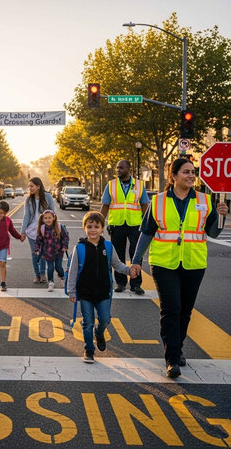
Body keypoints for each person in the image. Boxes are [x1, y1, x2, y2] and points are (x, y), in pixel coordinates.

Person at [130, 158, 228, 378]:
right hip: (164, 263)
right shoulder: (159, 201)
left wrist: (221, 216)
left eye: (193, 172)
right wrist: (136, 260)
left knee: (185, 311)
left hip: (194, 263)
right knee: (171, 309)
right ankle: (171, 359)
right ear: (173, 175)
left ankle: (177, 347)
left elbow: (212, 233)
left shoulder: (205, 200)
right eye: (186, 172)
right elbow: (146, 232)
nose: (191, 176)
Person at [67, 212, 138, 363]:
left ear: (102, 229)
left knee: (105, 319)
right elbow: (73, 271)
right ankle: (89, 350)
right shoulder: (79, 248)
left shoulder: (108, 246)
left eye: (96, 227)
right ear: (84, 228)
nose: (93, 230)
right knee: (88, 322)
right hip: (85, 291)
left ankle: (99, 333)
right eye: (89, 227)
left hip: (104, 291)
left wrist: (128, 270)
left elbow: (116, 264)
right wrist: (72, 291)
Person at [100, 159, 150, 295]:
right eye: (117, 168)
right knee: (118, 255)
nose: (118, 170)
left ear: (129, 168)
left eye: (121, 168)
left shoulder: (139, 185)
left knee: (136, 255)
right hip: (117, 225)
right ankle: (121, 283)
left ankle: (136, 284)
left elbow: (145, 205)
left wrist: (148, 224)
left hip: (135, 225)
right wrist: (99, 223)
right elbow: (105, 205)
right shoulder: (111, 185)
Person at [20, 177, 55, 284]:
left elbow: (53, 213)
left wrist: (54, 229)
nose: (29, 188)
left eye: (32, 186)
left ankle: (42, 273)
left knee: (43, 252)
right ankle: (37, 275)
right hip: (31, 231)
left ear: (38, 186)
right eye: (29, 186)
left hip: (45, 230)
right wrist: (23, 231)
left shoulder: (48, 197)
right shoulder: (29, 199)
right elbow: (26, 215)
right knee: (35, 253)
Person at [33, 210, 69, 291]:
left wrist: (65, 246)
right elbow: (38, 240)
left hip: (58, 252)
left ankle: (62, 277)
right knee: (50, 268)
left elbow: (65, 237)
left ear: (54, 218)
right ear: (43, 219)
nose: (48, 220)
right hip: (47, 253)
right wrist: (36, 249)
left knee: (58, 267)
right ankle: (51, 283)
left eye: (49, 218)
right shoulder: (42, 229)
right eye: (45, 218)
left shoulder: (59, 226)